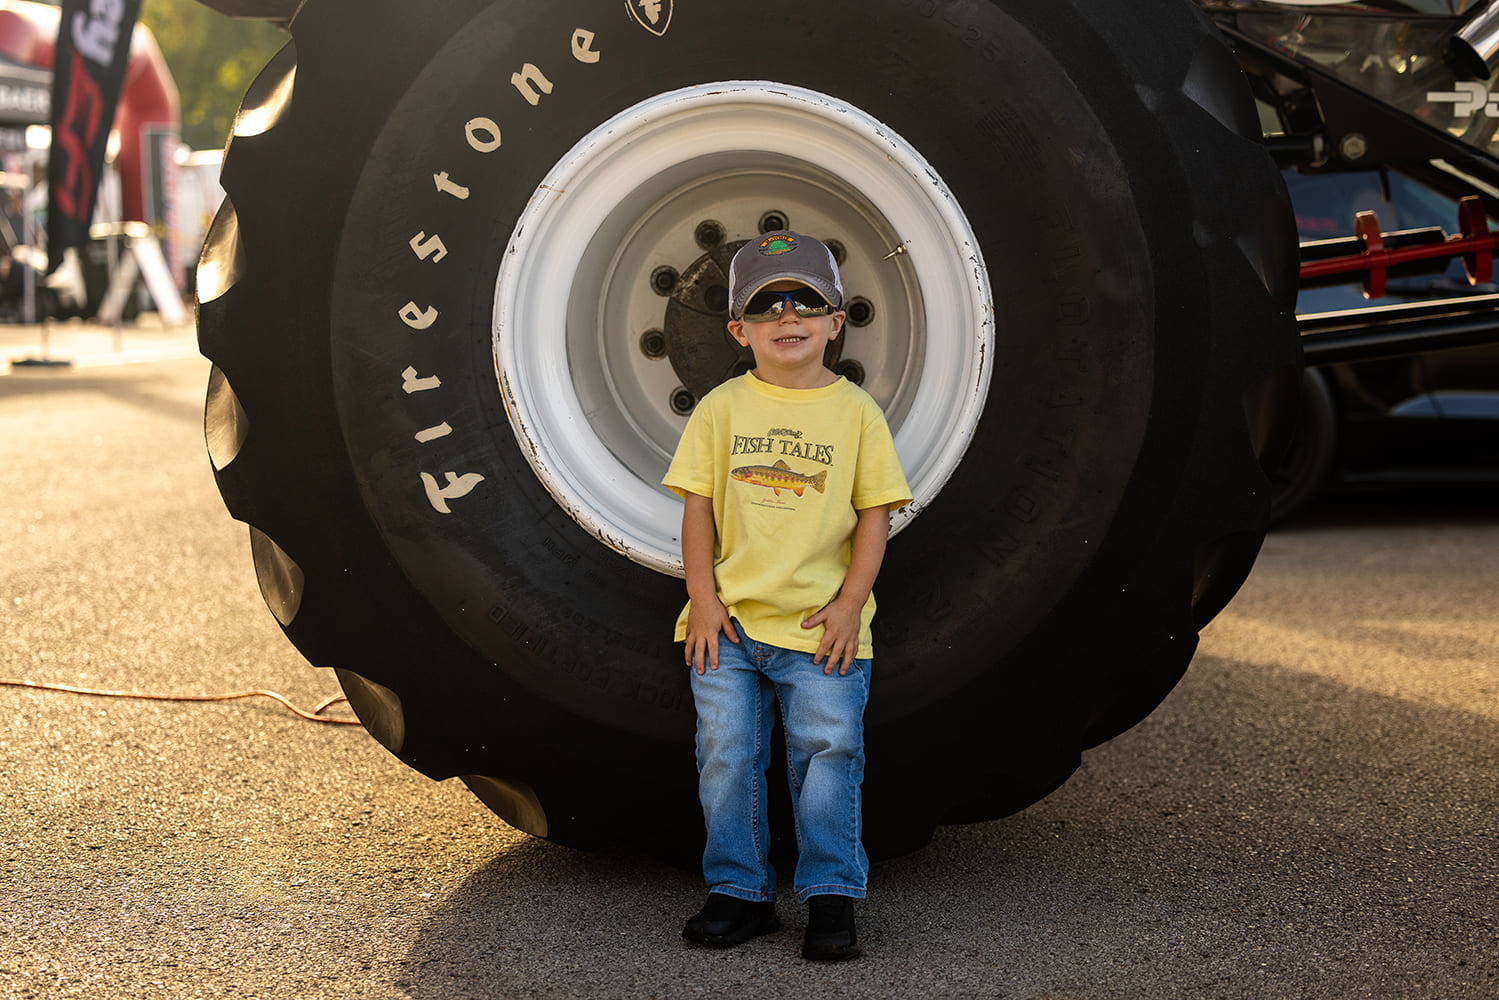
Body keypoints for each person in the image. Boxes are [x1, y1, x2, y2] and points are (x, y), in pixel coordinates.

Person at [663, 230, 912, 961]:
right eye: (767, 305)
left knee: (829, 756)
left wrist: (849, 605)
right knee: (725, 756)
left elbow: (875, 516)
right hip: (728, 625)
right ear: (739, 330)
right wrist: (702, 601)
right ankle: (738, 893)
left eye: (807, 299)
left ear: (836, 321)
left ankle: (831, 897)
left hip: (821, 629)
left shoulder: (856, 413)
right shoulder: (720, 409)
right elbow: (698, 510)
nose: (788, 315)